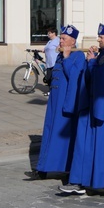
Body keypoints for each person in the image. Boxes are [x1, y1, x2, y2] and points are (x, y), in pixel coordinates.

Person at [60, 24, 104, 195]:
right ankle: (82, 180)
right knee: (88, 143)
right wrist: (92, 60)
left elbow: (103, 79)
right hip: (97, 104)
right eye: (99, 36)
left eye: (102, 37)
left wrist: (91, 62)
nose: (98, 39)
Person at [27, 25, 85, 180]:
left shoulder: (77, 56)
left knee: (62, 135)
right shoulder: (61, 54)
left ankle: (66, 168)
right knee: (50, 131)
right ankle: (43, 167)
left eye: (64, 39)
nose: (60, 41)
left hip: (66, 100)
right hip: (54, 99)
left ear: (72, 42)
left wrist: (66, 58)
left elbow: (74, 76)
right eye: (60, 38)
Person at [42, 28, 60, 96]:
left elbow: (60, 49)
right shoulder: (49, 41)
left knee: (51, 77)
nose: (48, 34)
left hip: (54, 62)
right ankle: (51, 90)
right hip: (49, 62)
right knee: (49, 77)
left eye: (49, 33)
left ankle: (52, 91)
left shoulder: (57, 40)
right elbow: (45, 48)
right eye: (48, 33)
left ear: (54, 33)